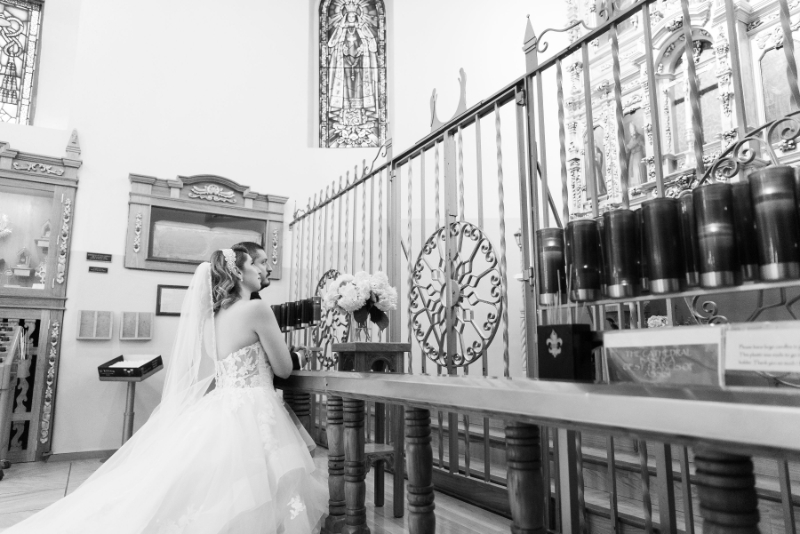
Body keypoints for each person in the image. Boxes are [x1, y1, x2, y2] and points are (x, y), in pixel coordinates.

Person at [5, 249, 327, 533]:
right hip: (254, 405)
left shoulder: (209, 320)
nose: (263, 272)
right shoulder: (257, 309)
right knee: (262, 478)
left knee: (223, 483)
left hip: (222, 404)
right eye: (256, 266)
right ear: (239, 273)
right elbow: (283, 368)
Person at [232, 241, 303, 371]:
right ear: (240, 270)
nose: (269, 268)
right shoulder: (255, 306)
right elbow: (280, 370)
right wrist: (298, 357)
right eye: (263, 262)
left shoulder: (221, 307)